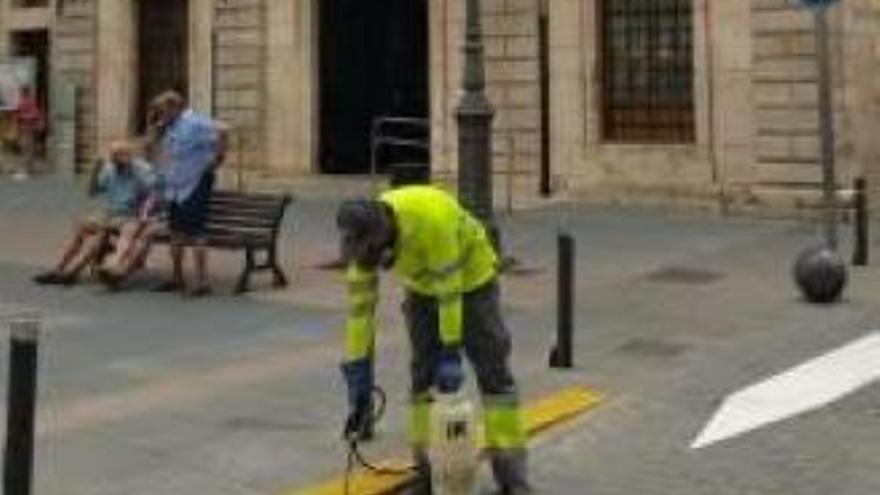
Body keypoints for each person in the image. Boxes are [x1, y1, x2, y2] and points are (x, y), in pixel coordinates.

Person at [336, 185, 532, 495]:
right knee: (421, 382)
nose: (373, 259)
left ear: (386, 232)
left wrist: (451, 350)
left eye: (376, 251)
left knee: (494, 377)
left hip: (472, 281)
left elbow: (450, 290)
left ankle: (513, 481)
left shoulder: (432, 218)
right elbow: (359, 315)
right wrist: (357, 372)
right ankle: (426, 476)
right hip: (422, 289)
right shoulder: (362, 247)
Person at [33, 140, 155, 286]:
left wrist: (144, 213)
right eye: (113, 156)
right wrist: (95, 170)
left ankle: (109, 266)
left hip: (131, 214)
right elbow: (92, 192)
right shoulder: (109, 168)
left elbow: (153, 194)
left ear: (128, 155)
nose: (114, 160)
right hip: (109, 213)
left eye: (118, 156)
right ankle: (59, 268)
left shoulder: (142, 169)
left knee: (117, 233)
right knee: (82, 226)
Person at [147, 90, 227, 296]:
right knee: (176, 233)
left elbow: (223, 130)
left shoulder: (194, 123)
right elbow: (150, 147)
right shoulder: (170, 126)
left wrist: (216, 161)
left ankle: (202, 282)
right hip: (175, 188)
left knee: (197, 233)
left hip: (195, 184)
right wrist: (156, 128)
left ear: (175, 107)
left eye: (162, 110)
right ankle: (177, 277)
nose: (159, 114)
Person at [13, 86, 44, 178]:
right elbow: (35, 113)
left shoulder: (25, 102)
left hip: (27, 128)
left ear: (23, 92)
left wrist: (23, 119)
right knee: (28, 148)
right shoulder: (27, 102)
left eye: (22, 92)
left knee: (27, 148)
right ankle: (29, 168)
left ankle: (28, 168)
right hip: (28, 128)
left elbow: (32, 114)